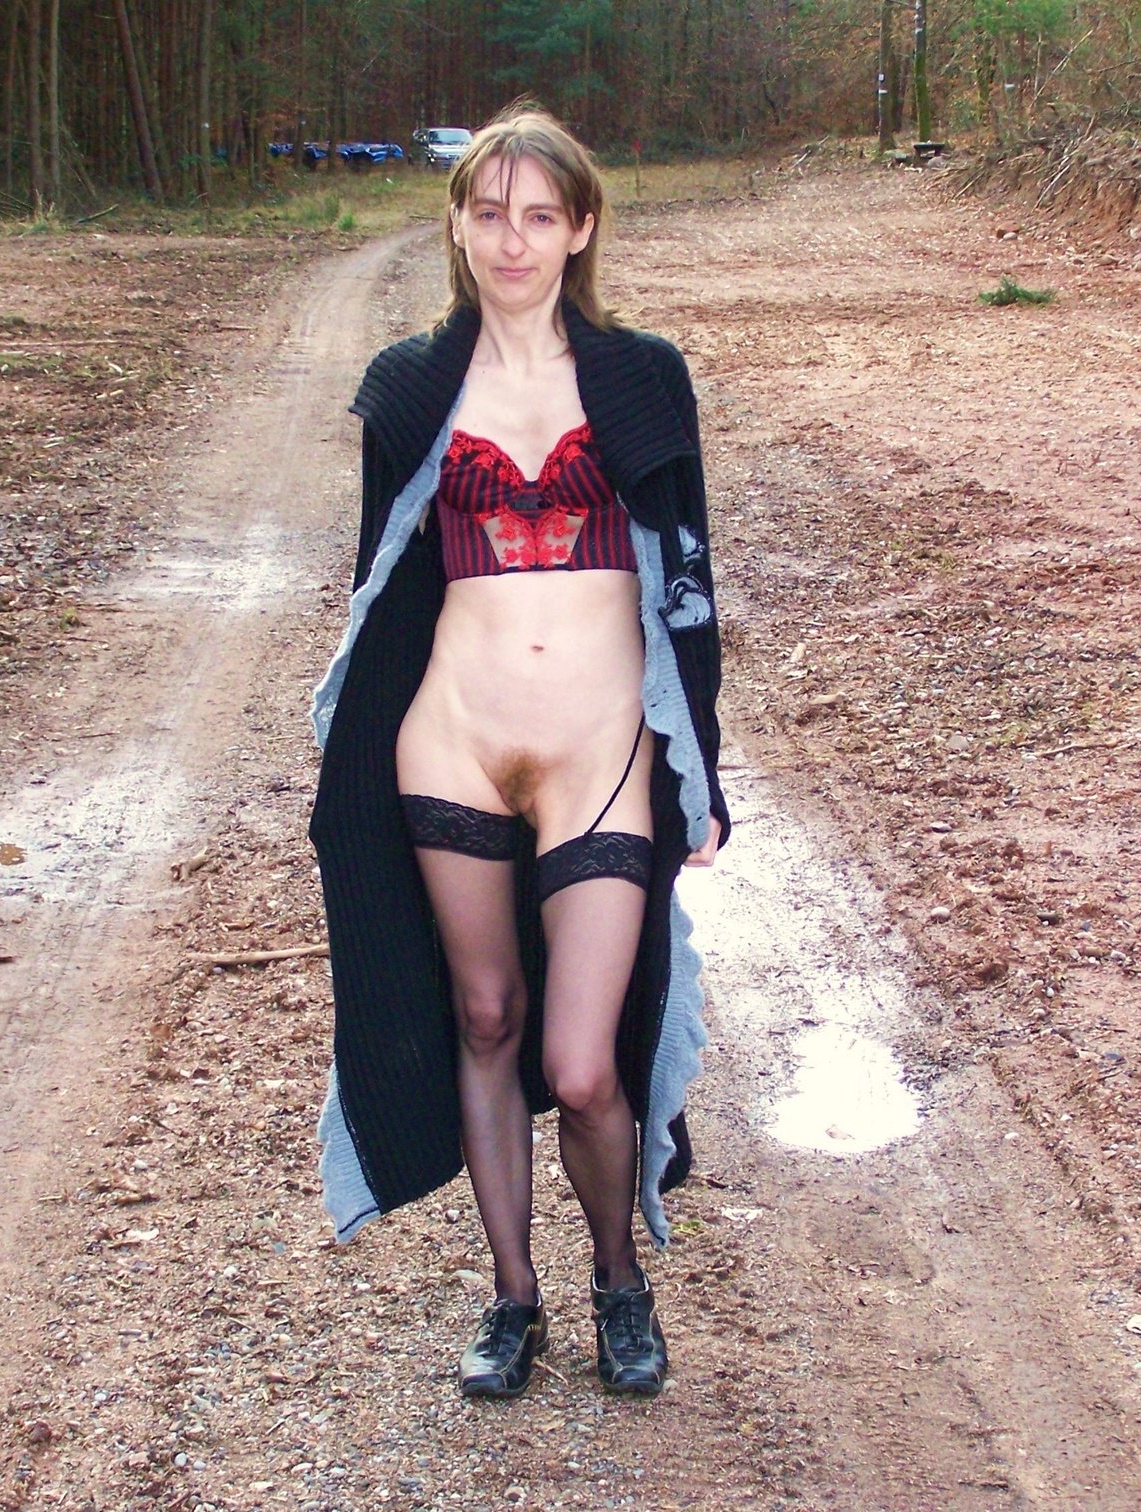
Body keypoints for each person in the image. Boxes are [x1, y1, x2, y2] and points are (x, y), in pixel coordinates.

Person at [309, 103, 727, 1400]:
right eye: (488, 212)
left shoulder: (643, 377)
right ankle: (513, 1297)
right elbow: (381, 590)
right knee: (484, 1018)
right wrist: (350, 775)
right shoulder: (411, 389)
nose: (512, 240)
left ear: (580, 228)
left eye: (539, 215)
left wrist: (702, 766)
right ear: (457, 223)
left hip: (600, 750)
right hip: (455, 743)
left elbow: (691, 584)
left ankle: (619, 1278)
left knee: (583, 1063)